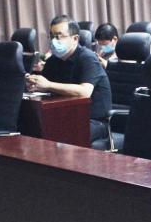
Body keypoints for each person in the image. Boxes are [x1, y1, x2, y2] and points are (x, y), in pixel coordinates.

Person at [26, 15, 112, 146]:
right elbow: (45, 88)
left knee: (61, 135)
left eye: (59, 36)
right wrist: (34, 85)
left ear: (75, 39)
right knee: (34, 129)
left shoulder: (88, 58)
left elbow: (84, 92)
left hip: (93, 121)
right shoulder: (53, 61)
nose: (54, 41)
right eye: (51, 36)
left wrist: (48, 85)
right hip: (65, 115)